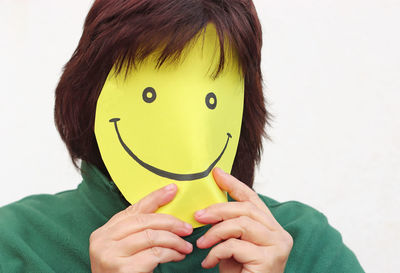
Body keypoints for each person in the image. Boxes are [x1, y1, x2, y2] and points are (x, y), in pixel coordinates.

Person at [0, 0, 365, 272]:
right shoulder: (16, 242)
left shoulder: (307, 246)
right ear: (89, 92)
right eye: (149, 95)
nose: (186, 128)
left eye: (211, 100)